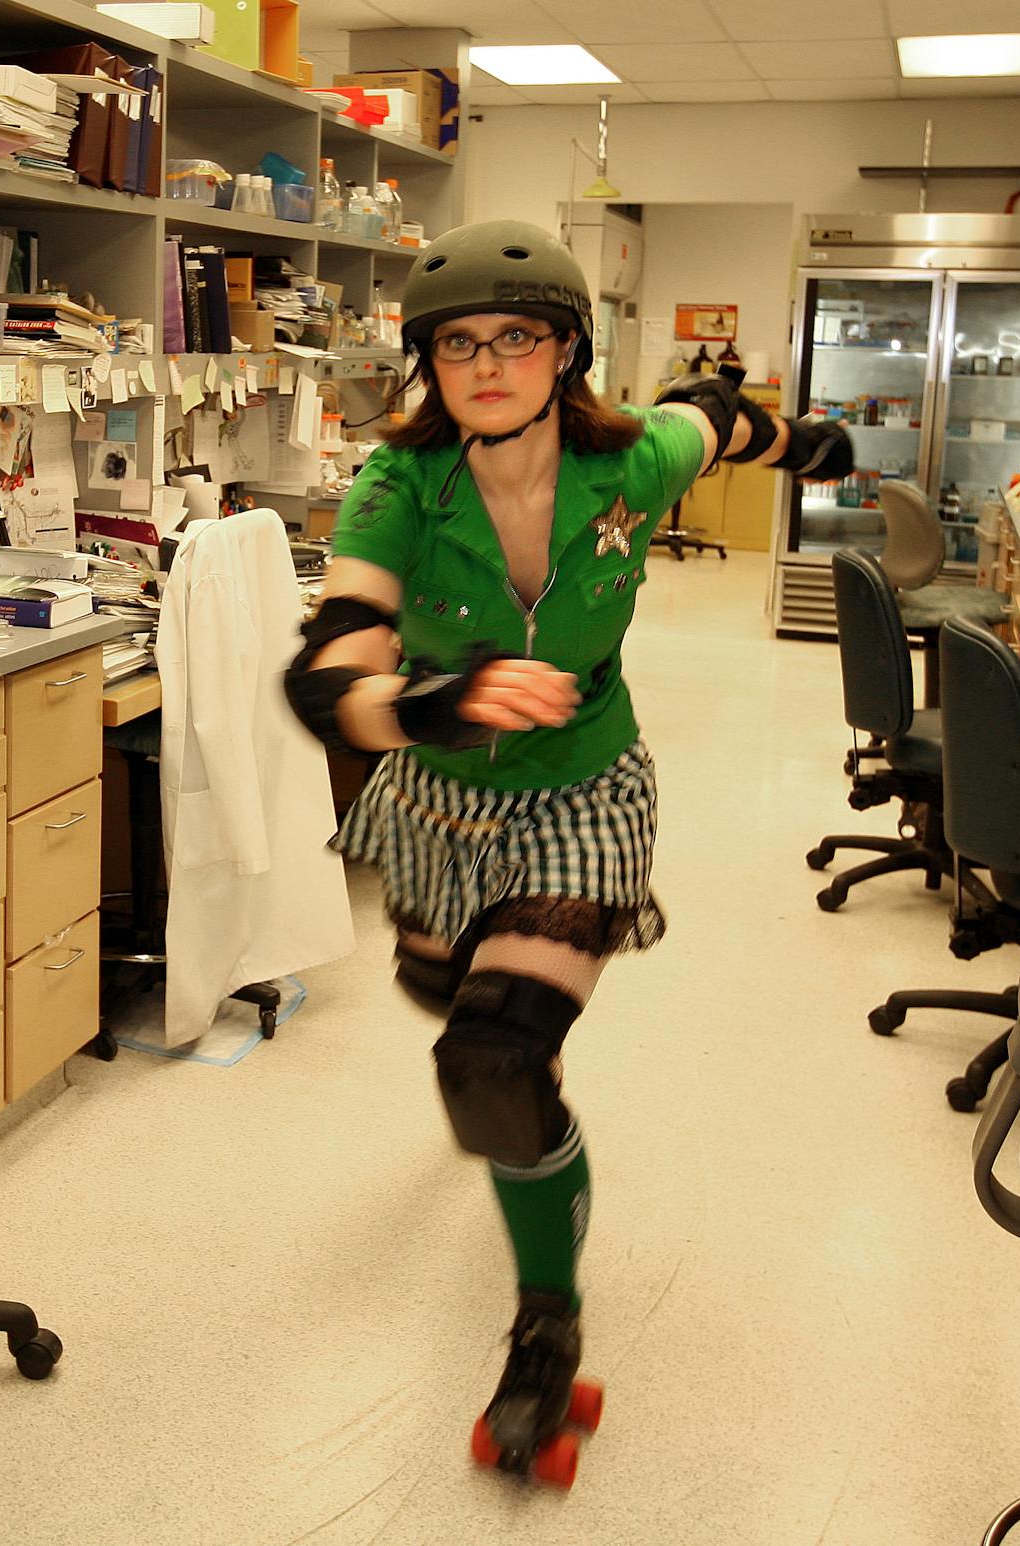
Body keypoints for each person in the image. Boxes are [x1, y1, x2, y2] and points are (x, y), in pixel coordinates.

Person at [282, 219, 854, 1479]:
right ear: (431, 360)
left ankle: (546, 1321)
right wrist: (436, 702)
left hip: (586, 787)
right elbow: (332, 668)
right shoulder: (399, 486)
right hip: (435, 794)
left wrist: (803, 438)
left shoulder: (632, 458)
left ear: (567, 350)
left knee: (492, 1063)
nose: (486, 363)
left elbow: (717, 416)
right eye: (457, 342)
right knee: (437, 990)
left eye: (516, 337)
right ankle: (466, 1025)